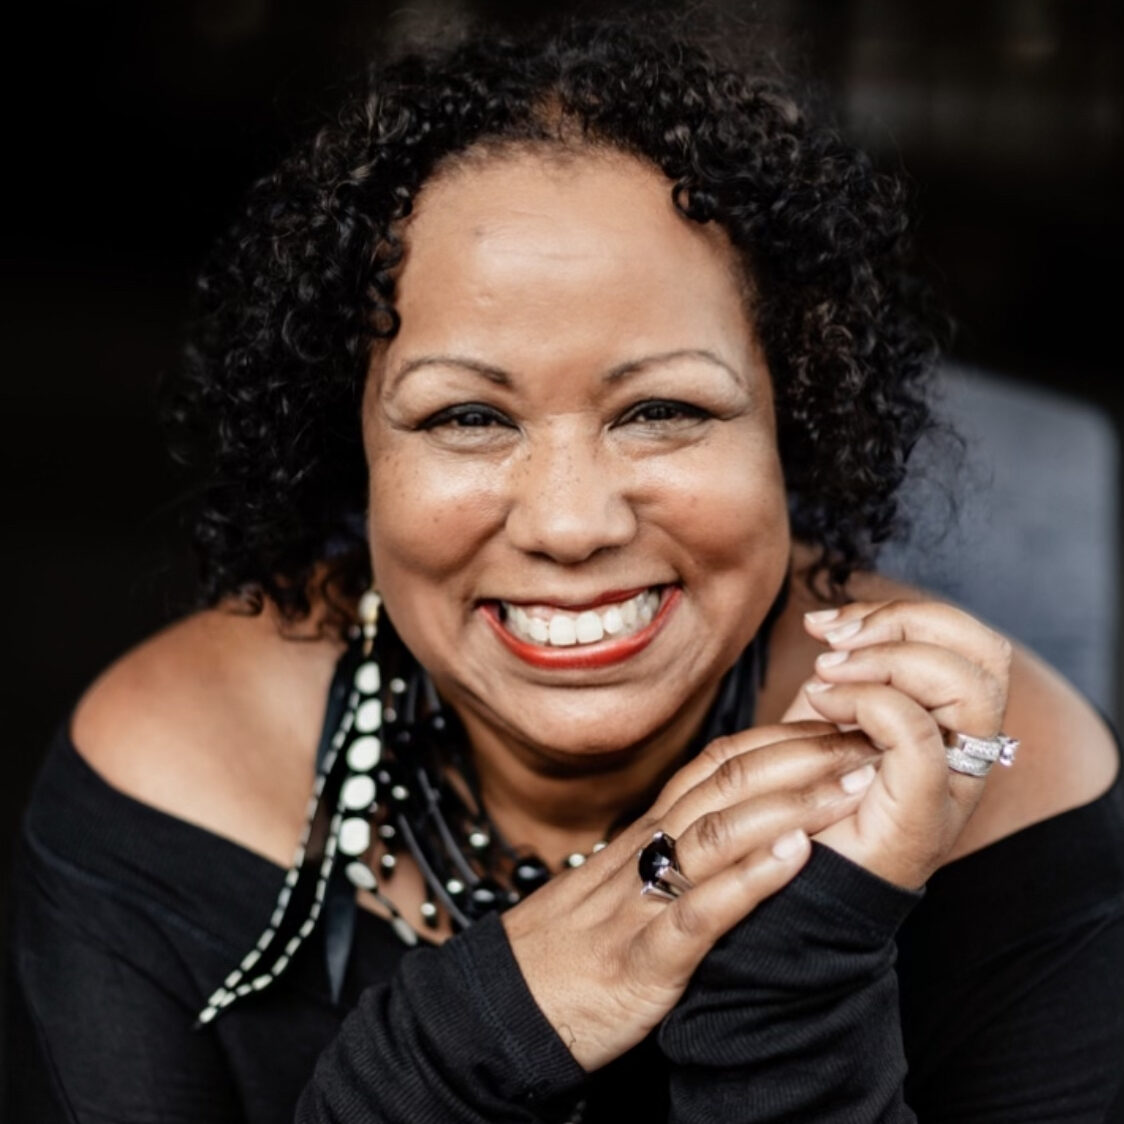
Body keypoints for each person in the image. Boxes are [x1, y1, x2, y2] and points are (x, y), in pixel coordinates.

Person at [6, 13, 1123, 1123]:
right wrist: (478, 1027)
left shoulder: (1002, 777)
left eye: (663, 408)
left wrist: (796, 978)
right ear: (350, 443)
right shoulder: (168, 772)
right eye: (466, 417)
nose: (570, 523)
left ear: (794, 419)